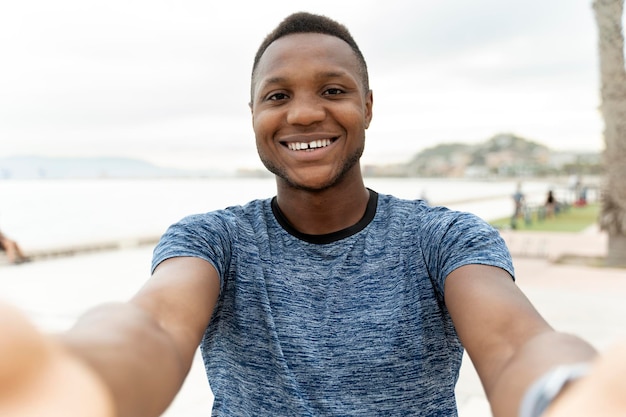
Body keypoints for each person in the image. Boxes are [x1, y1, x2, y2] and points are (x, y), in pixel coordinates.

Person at [1, 12, 625, 417]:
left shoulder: (444, 239)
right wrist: (72, 379)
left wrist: (567, 392)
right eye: (278, 96)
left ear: (368, 107)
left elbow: (519, 345)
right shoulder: (213, 239)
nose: (303, 114)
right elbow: (154, 326)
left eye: (332, 90)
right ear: (252, 114)